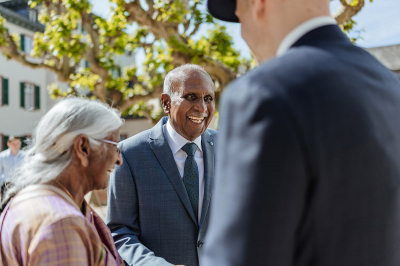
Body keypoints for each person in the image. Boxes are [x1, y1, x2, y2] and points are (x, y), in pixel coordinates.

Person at [202, 0, 400, 265]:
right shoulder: (389, 86)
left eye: (241, 19)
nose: (244, 36)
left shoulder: (264, 93)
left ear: (257, 4)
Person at [106, 64, 217, 266]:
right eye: (191, 97)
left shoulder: (229, 148)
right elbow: (120, 231)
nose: (202, 107)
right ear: (166, 103)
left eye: (208, 98)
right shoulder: (129, 154)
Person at [0, 98, 124, 266]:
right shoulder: (62, 225)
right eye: (115, 146)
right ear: (83, 147)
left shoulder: (27, 200)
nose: (119, 160)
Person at [0, 136, 25, 201]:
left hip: (20, 185)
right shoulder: (2, 156)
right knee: (5, 206)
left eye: (18, 144)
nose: (16, 146)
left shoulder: (25, 156)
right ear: (9, 144)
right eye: (14, 144)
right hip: (6, 186)